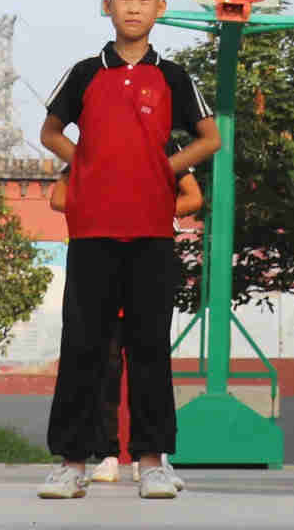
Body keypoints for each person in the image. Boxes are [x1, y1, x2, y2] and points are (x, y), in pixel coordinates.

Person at [35, 0, 220, 500]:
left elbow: (210, 138)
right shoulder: (85, 73)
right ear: (107, 5)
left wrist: (164, 168)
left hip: (150, 232)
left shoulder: (174, 76)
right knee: (83, 344)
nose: (134, 8)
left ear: (160, 7)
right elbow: (49, 131)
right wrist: (85, 163)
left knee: (148, 345)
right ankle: (70, 463)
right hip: (92, 231)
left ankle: (153, 461)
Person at [63, 151, 203, 486]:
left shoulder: (165, 151)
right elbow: (58, 197)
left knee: (151, 367)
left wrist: (153, 213)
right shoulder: (94, 148)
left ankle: (154, 459)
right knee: (105, 376)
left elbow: (194, 197)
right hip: (103, 276)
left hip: (146, 269)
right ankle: (108, 454)